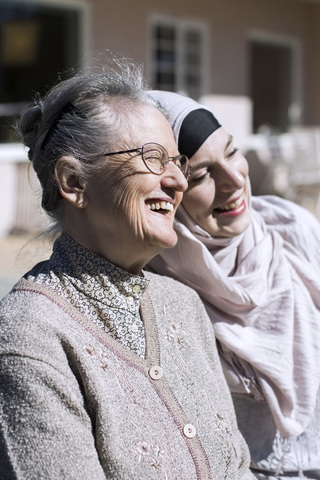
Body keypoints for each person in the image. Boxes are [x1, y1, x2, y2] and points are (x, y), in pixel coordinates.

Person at [0, 58, 254, 479]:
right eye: (153, 158)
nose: (177, 182)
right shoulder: (31, 336)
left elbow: (238, 467)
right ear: (74, 183)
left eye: (177, 163)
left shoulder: (182, 303)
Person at [147, 90, 320, 480]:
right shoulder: (160, 288)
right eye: (202, 175)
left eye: (232, 152)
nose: (233, 179)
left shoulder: (293, 228)